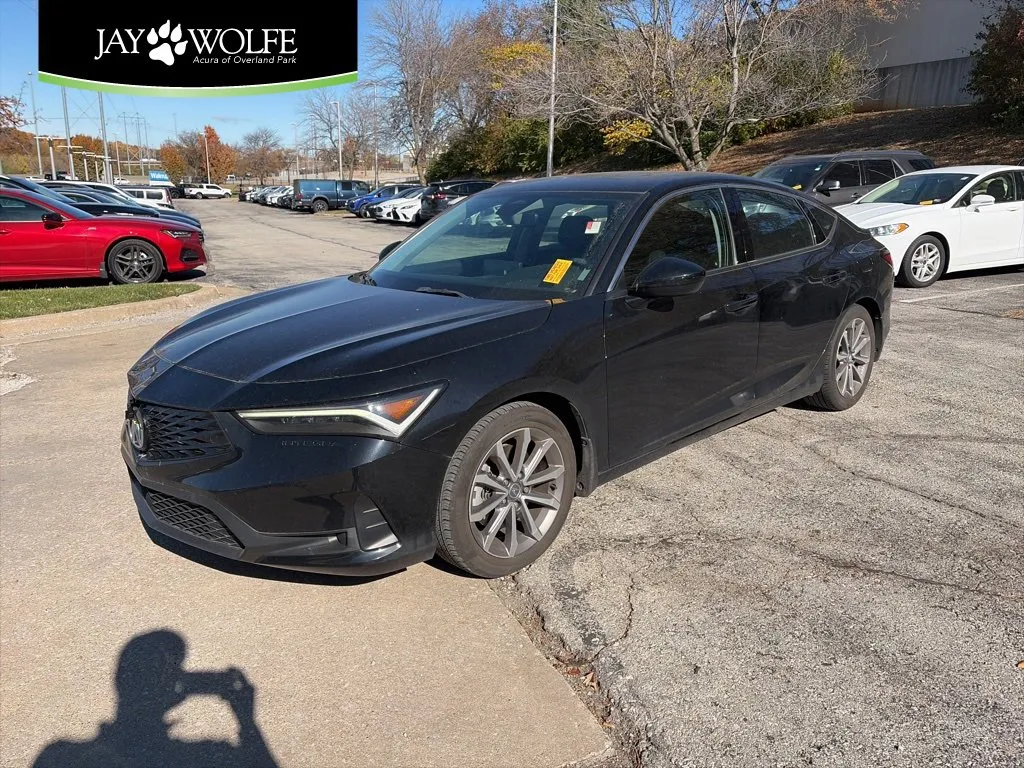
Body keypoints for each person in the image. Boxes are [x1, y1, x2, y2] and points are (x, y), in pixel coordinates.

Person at [33, 630, 277, 768]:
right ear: (176, 692)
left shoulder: (58, 757)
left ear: (119, 681)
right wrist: (246, 720)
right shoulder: (204, 757)